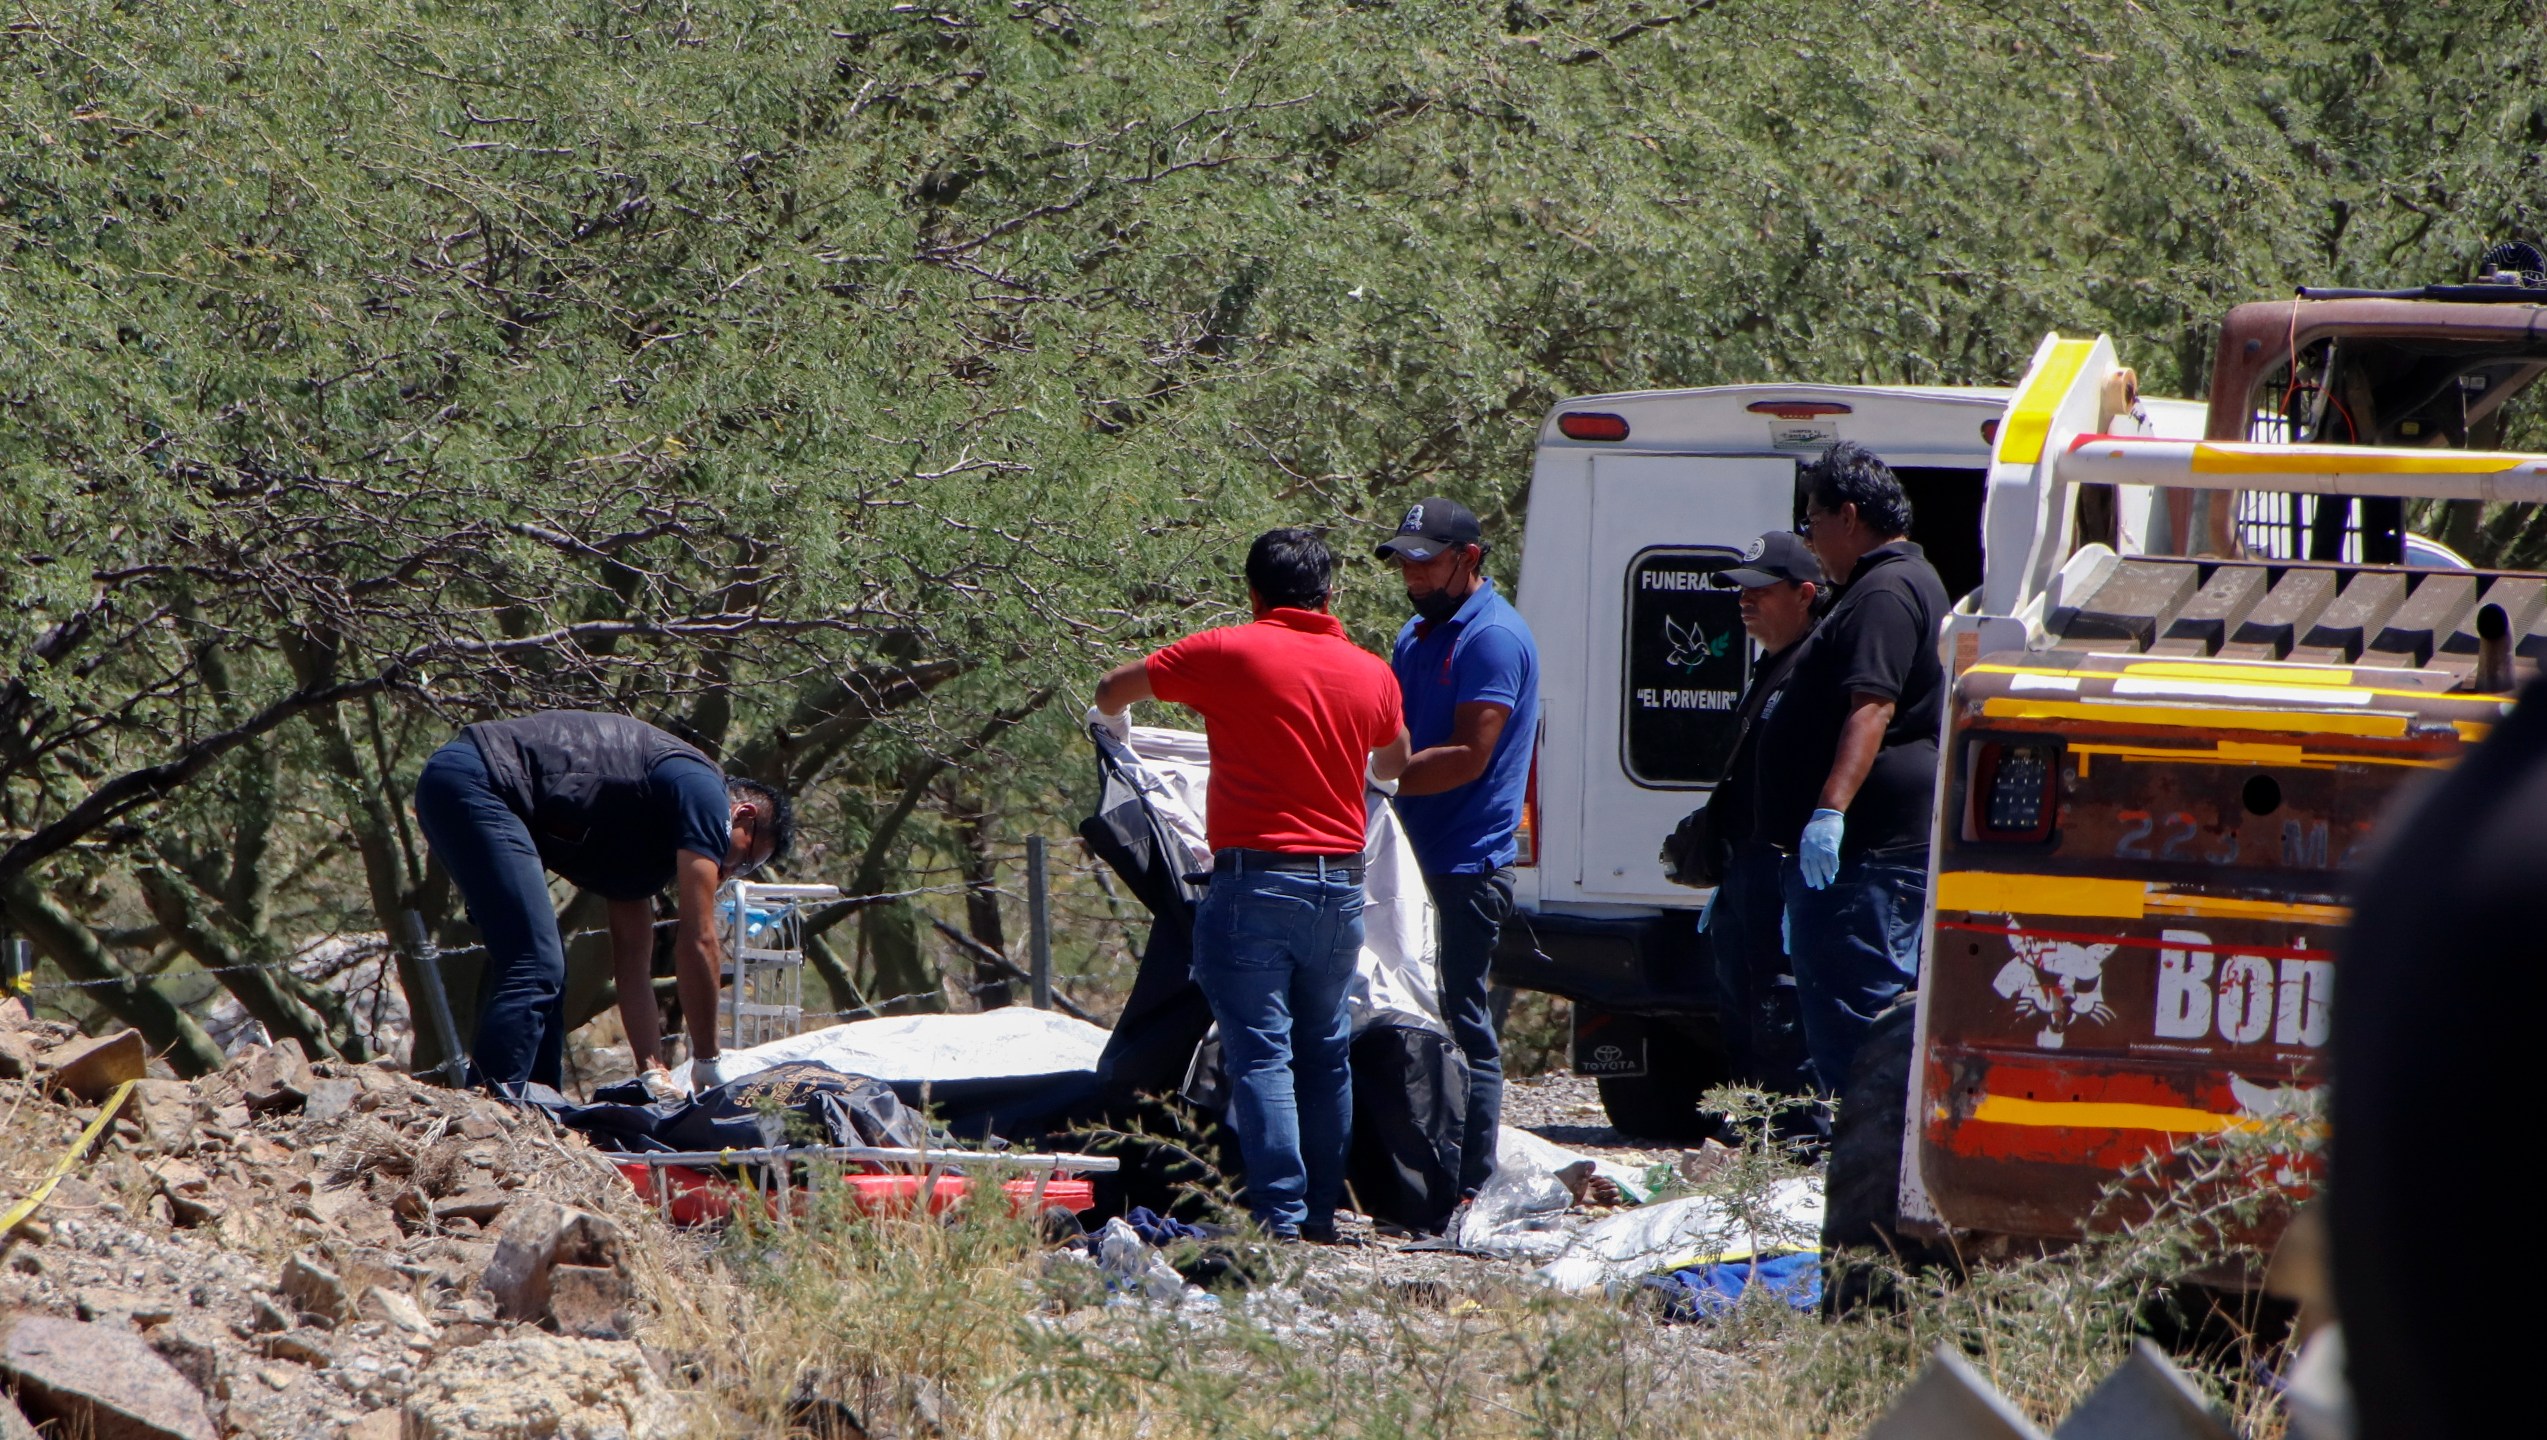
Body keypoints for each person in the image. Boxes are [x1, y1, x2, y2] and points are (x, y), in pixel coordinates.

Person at [1091, 529, 1412, 1241]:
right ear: (1331, 594)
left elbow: (1112, 689)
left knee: (1261, 1054)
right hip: (1339, 889)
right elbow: (1393, 762)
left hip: (1254, 885)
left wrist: (1111, 729)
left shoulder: (1227, 651)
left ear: (1253, 592)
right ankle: (1322, 1214)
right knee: (1324, 1051)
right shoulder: (1369, 672)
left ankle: (1280, 1219)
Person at [413, 711, 792, 1096]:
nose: (728, 874)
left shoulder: (645, 842)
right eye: (744, 860)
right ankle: (491, 1111)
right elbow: (699, 938)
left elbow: (632, 964)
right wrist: (708, 1061)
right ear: (743, 815)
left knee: (546, 971)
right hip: (480, 780)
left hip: (457, 782)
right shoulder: (705, 791)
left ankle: (540, 1108)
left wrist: (651, 1069)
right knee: (537, 963)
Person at [1752, 442, 1948, 1093]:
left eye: (1811, 522)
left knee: (1859, 1026)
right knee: (1846, 1023)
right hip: (1861, 858)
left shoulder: (1885, 592)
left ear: (1847, 515)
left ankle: (1873, 1176)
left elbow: (1871, 707)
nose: (1808, 539)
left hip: (1866, 854)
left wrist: (1828, 811)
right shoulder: (1874, 586)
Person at [1374, 497, 1540, 1201]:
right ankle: (1415, 1168)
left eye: (1425, 559)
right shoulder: (1416, 632)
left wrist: (1377, 776)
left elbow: (1471, 756)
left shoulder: (1492, 638)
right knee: (1403, 1013)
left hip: (1465, 865)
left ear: (1467, 559)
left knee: (1461, 1019)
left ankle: (1471, 1186)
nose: (1410, 573)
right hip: (1406, 857)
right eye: (1403, 560)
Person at [1667, 531, 1825, 1112]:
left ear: (1805, 594)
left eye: (1760, 588)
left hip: (1782, 870)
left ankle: (1796, 1151)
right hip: (1743, 870)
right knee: (1743, 1016)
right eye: (1740, 589)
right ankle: (1754, 1153)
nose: (1745, 600)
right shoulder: (1771, 666)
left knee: (1783, 1017)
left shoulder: (1819, 665)